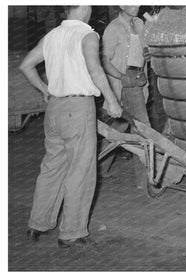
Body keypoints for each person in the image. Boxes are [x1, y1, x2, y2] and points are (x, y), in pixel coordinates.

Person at [19, 5, 123, 247]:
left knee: (52, 167)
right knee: (81, 171)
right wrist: (112, 100)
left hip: (54, 109)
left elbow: (25, 65)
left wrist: (45, 91)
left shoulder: (52, 35)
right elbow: (94, 68)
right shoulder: (87, 34)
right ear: (84, 6)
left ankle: (38, 224)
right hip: (78, 109)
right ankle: (72, 232)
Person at [98, 5, 150, 180]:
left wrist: (147, 55)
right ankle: (145, 179)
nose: (137, 6)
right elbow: (104, 60)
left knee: (121, 127)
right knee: (143, 129)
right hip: (123, 81)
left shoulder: (140, 23)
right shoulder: (113, 28)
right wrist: (122, 77)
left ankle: (100, 168)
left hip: (138, 79)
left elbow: (144, 49)